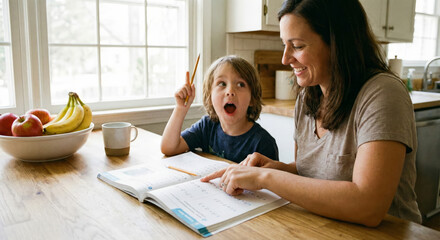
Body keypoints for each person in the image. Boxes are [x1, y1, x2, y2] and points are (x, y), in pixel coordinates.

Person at [201, 0, 422, 226]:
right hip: (325, 226)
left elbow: (368, 206)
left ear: (337, 43)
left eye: (297, 46)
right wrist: (279, 168)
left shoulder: (383, 94)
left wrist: (266, 177)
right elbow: (311, 170)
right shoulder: (307, 98)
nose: (285, 59)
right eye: (284, 45)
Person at [160, 55, 279, 163]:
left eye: (240, 84)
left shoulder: (263, 143)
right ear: (210, 96)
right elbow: (169, 148)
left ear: (252, 99)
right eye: (222, 84)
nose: (230, 92)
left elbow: (271, 184)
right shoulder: (207, 127)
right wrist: (181, 108)